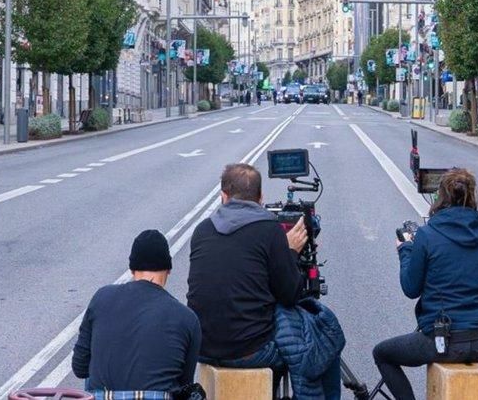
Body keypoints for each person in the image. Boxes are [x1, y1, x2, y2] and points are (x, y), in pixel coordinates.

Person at [187, 163, 342, 400]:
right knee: (325, 341)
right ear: (261, 198)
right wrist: (290, 252)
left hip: (203, 348)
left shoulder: (202, 230)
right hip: (249, 352)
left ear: (223, 197)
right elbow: (291, 295)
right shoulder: (269, 231)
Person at [372, 170, 478, 400]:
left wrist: (405, 250)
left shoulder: (427, 235)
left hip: (444, 342)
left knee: (382, 354)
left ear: (440, 197)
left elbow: (411, 289)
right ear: (473, 197)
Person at [72, 229, 201, 398]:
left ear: (132, 269)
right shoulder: (187, 318)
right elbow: (185, 384)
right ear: (169, 269)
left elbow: (80, 367)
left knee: (93, 373)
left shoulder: (102, 297)